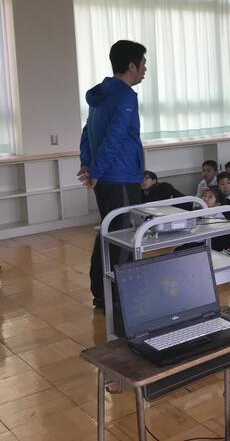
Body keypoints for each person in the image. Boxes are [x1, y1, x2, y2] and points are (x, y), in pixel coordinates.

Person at [79, 39, 146, 310]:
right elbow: (115, 137)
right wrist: (94, 169)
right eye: (143, 64)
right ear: (131, 66)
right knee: (123, 237)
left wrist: (88, 164)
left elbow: (87, 131)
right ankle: (118, 299)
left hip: (106, 176)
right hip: (120, 176)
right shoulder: (125, 96)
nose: (145, 69)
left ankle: (101, 292)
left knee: (108, 232)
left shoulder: (101, 93)